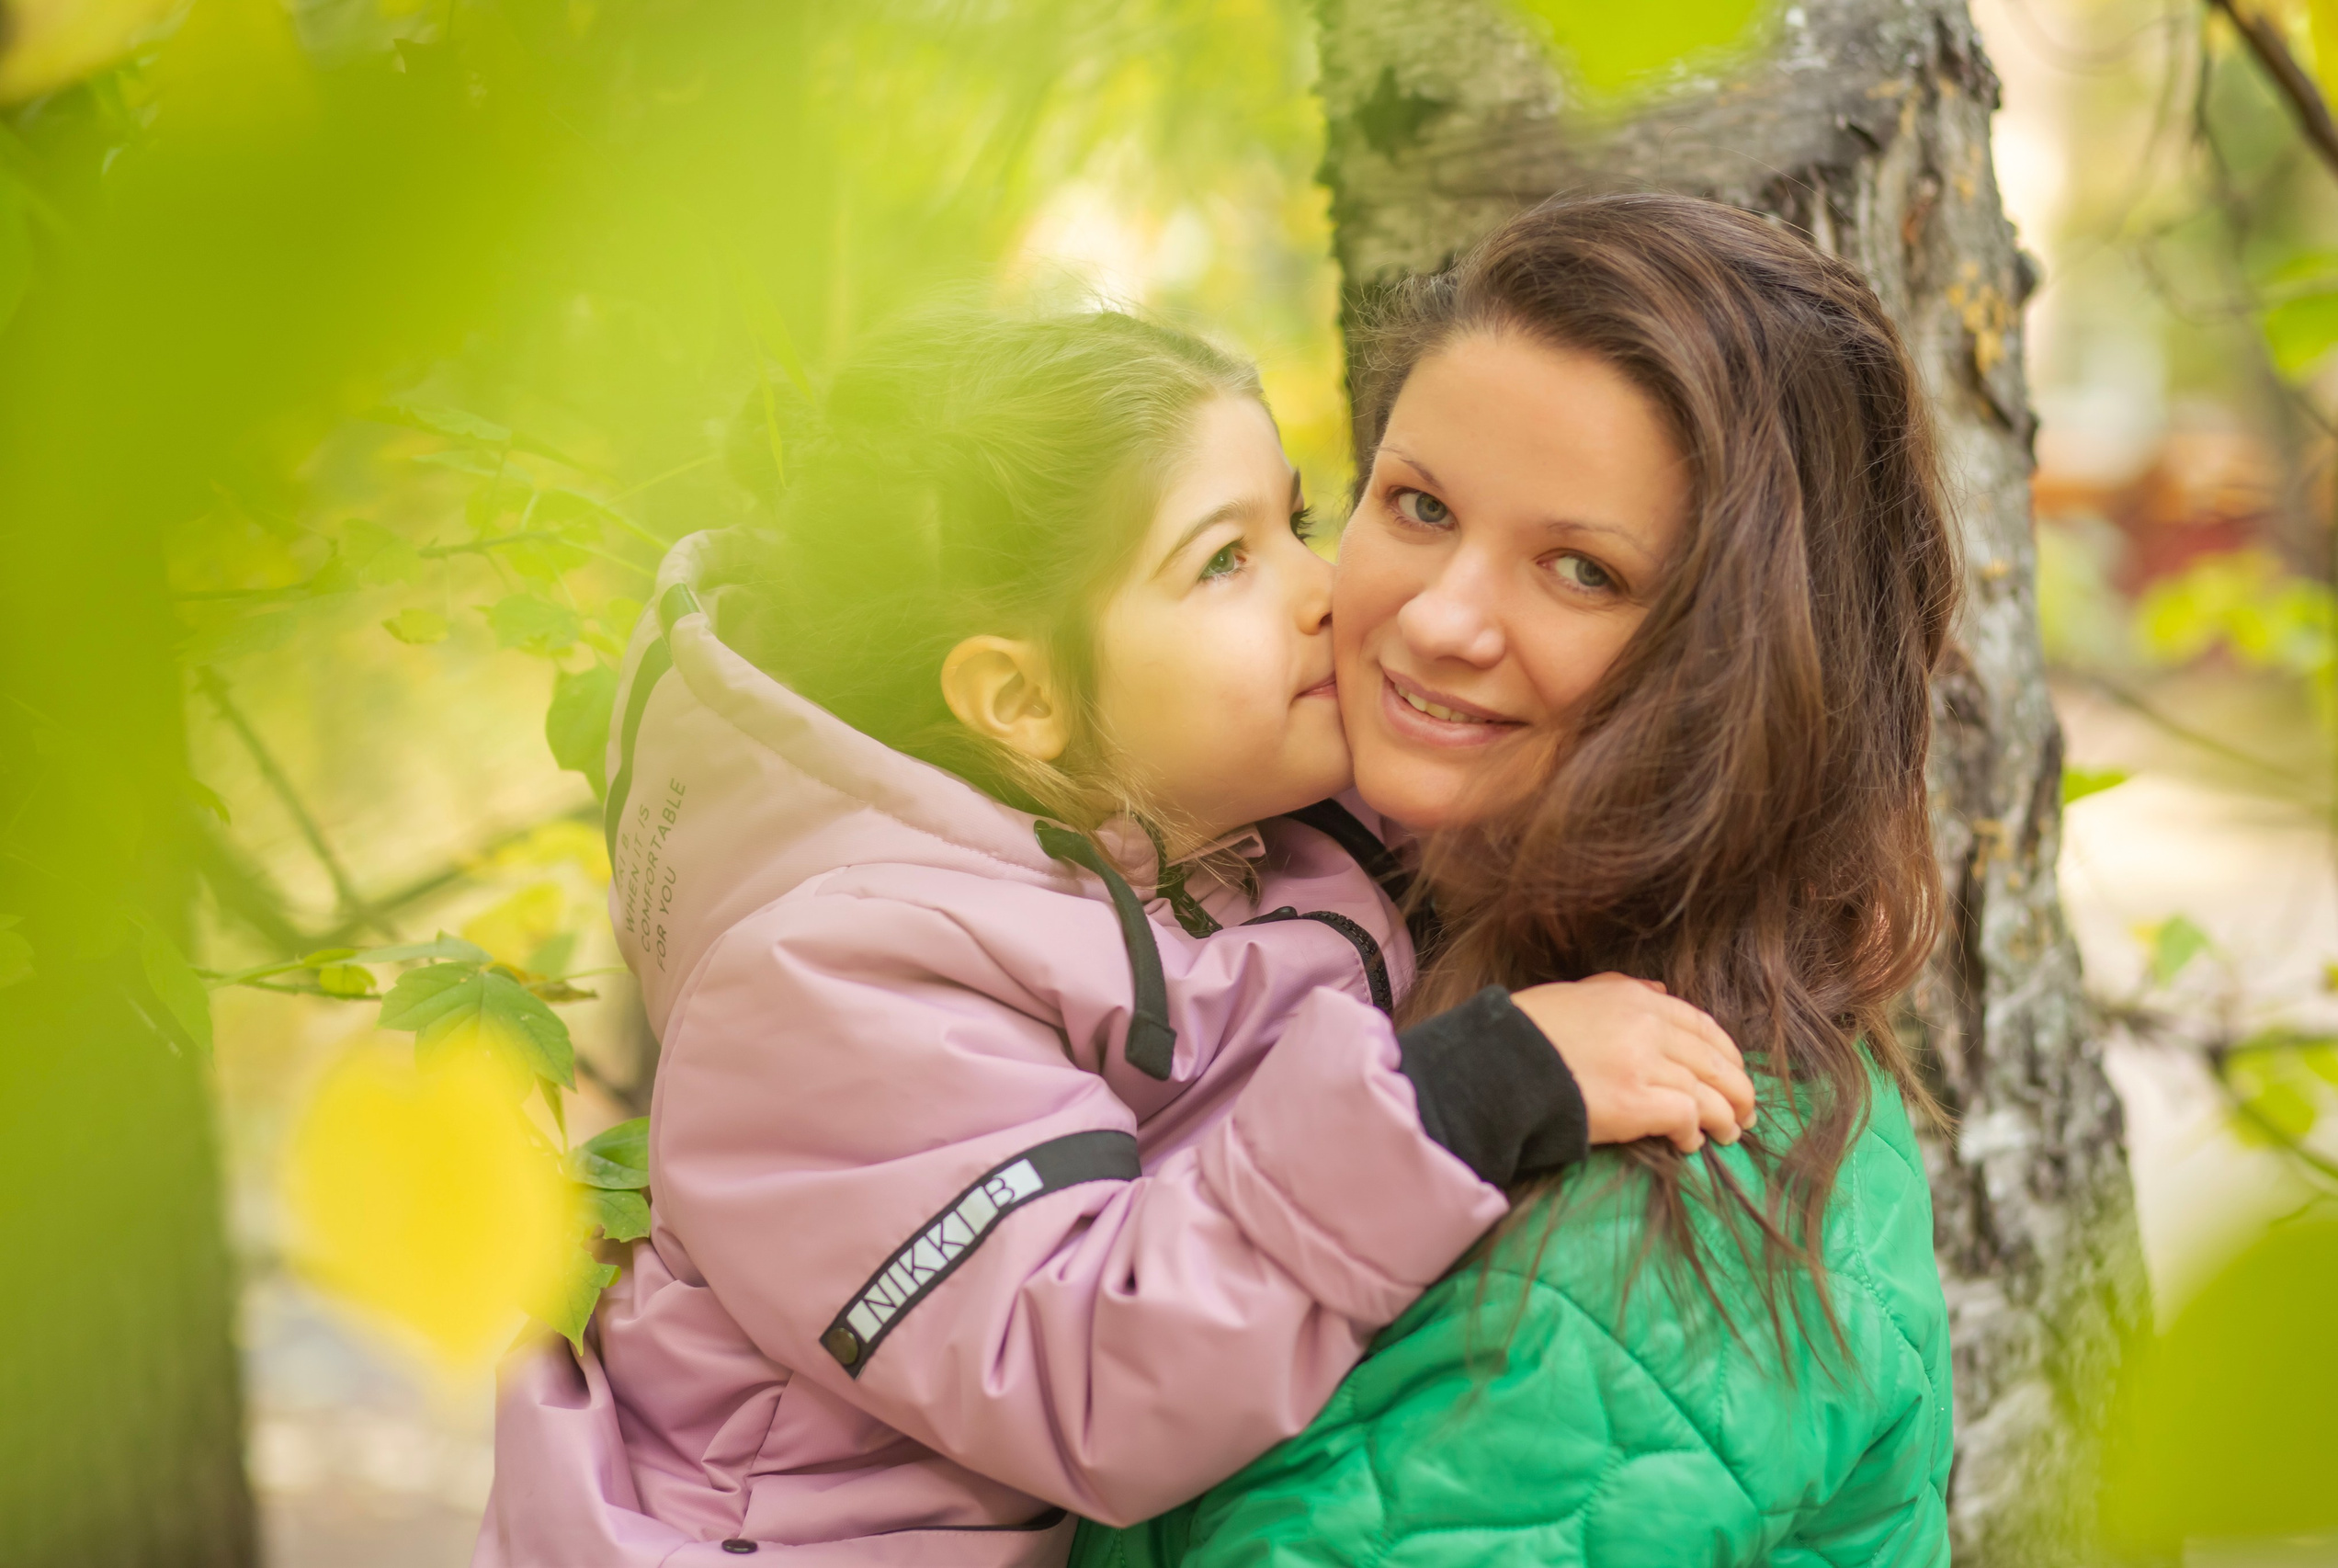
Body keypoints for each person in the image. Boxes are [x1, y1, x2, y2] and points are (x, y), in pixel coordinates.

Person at [474, 306, 1757, 1566]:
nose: (1333, 594)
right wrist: (1476, 1091)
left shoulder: (1230, 824)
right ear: (1024, 698)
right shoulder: (826, 990)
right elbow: (1086, 1367)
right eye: (1225, 562)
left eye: (1298, 522)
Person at [1073, 193, 1961, 1567]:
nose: (1436, 618)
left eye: (1581, 570)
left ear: (1745, 666)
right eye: (1418, 504)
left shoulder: (1648, 1233)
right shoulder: (1341, 911)